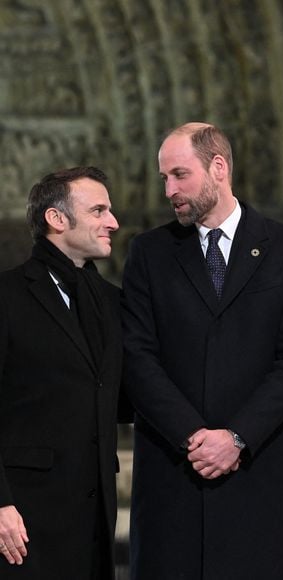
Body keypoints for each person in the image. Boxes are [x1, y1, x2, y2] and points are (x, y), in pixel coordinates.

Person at [122, 122, 283, 579]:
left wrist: (235, 439)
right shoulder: (148, 253)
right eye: (163, 179)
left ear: (218, 167)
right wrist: (195, 437)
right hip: (174, 478)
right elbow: (138, 358)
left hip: (256, 477)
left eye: (178, 175)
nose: (169, 190)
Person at [0, 166, 123, 579]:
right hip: (22, 523)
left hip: (93, 523)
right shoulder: (7, 295)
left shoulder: (112, 302)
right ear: (56, 219)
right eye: (99, 210)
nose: (113, 222)